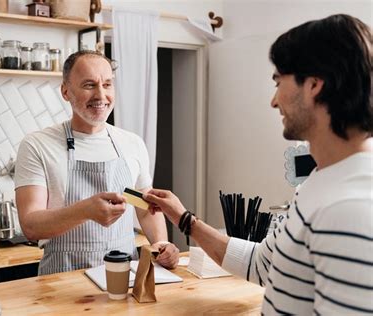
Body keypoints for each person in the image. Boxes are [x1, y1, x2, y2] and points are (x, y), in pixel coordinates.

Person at [144, 14, 372, 314]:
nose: (274, 101)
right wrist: (184, 218)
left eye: (279, 82)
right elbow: (261, 264)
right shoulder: (318, 182)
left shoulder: (350, 208)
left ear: (314, 85)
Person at [15, 50, 179, 275]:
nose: (101, 95)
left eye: (108, 84)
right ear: (66, 91)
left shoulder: (131, 143)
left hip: (123, 277)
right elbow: (31, 225)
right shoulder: (37, 145)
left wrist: (161, 244)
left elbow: (145, 209)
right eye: (89, 85)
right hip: (62, 281)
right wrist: (85, 210)